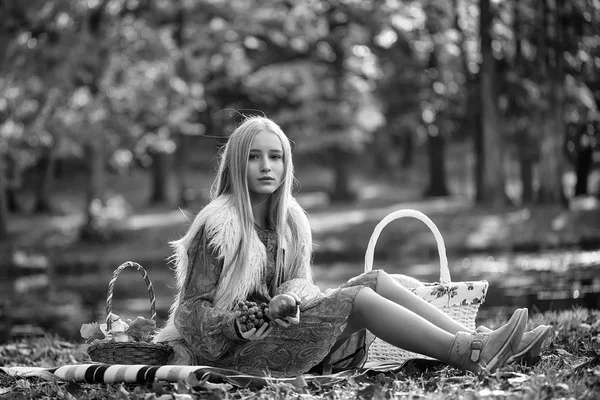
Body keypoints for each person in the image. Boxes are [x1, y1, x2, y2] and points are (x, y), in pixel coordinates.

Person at [154, 116, 551, 377]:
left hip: (282, 336)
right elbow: (190, 312)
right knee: (358, 299)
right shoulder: (219, 226)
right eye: (254, 157)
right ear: (236, 164)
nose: (266, 166)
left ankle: (481, 341)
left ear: (286, 164)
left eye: (275, 157)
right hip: (231, 354)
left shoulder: (290, 222)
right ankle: (471, 354)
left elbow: (300, 285)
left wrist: (290, 300)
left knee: (376, 280)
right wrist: (237, 325)